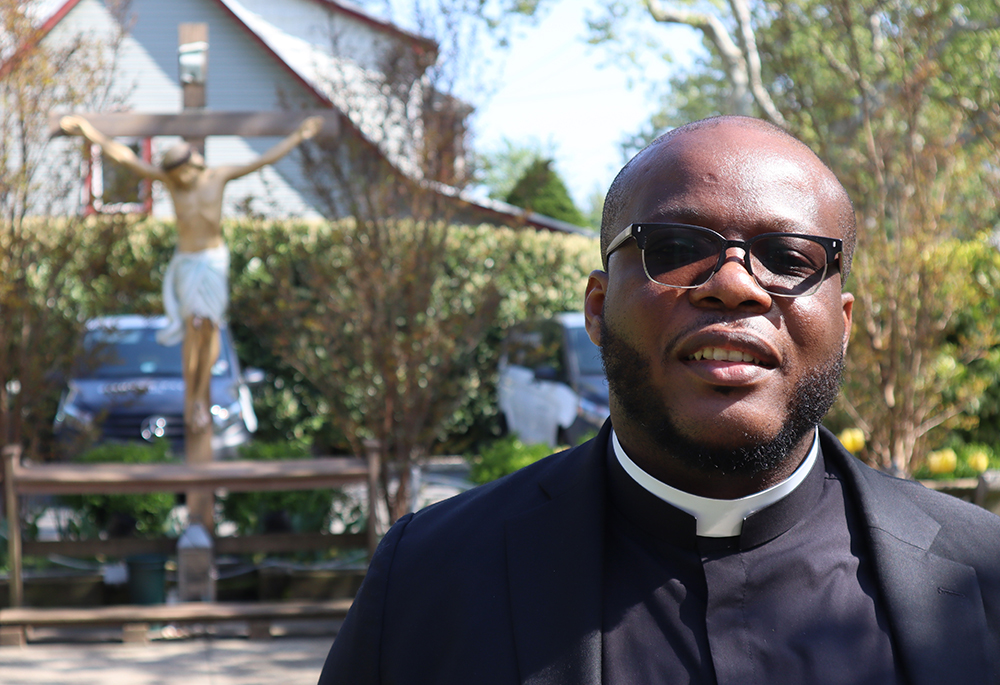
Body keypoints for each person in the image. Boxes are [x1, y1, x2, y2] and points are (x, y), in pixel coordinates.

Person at [317, 116, 1000, 684]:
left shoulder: (982, 571)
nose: (735, 285)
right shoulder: (431, 576)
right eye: (674, 248)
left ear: (843, 322)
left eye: (789, 258)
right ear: (596, 308)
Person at [60, 114, 323, 433]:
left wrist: (298, 135)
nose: (178, 180)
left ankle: (202, 393)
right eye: (172, 175)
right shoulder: (171, 183)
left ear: (191, 166)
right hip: (187, 261)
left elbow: (262, 160)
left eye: (180, 173)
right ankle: (194, 400)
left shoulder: (218, 177)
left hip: (212, 260)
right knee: (192, 326)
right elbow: (126, 157)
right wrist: (89, 132)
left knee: (209, 326)